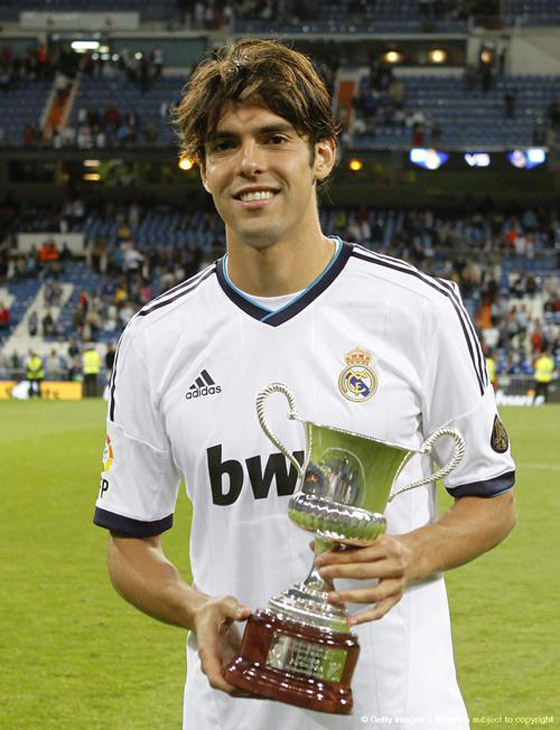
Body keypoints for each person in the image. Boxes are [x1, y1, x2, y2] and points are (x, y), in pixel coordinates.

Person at [94, 39, 516, 730]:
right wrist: (194, 607)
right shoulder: (155, 338)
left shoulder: (419, 309)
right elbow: (129, 543)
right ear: (204, 169)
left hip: (397, 713)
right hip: (234, 714)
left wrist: (409, 554)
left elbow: (492, 500)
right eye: (224, 145)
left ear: (321, 156)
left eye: (274, 137)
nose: (249, 162)